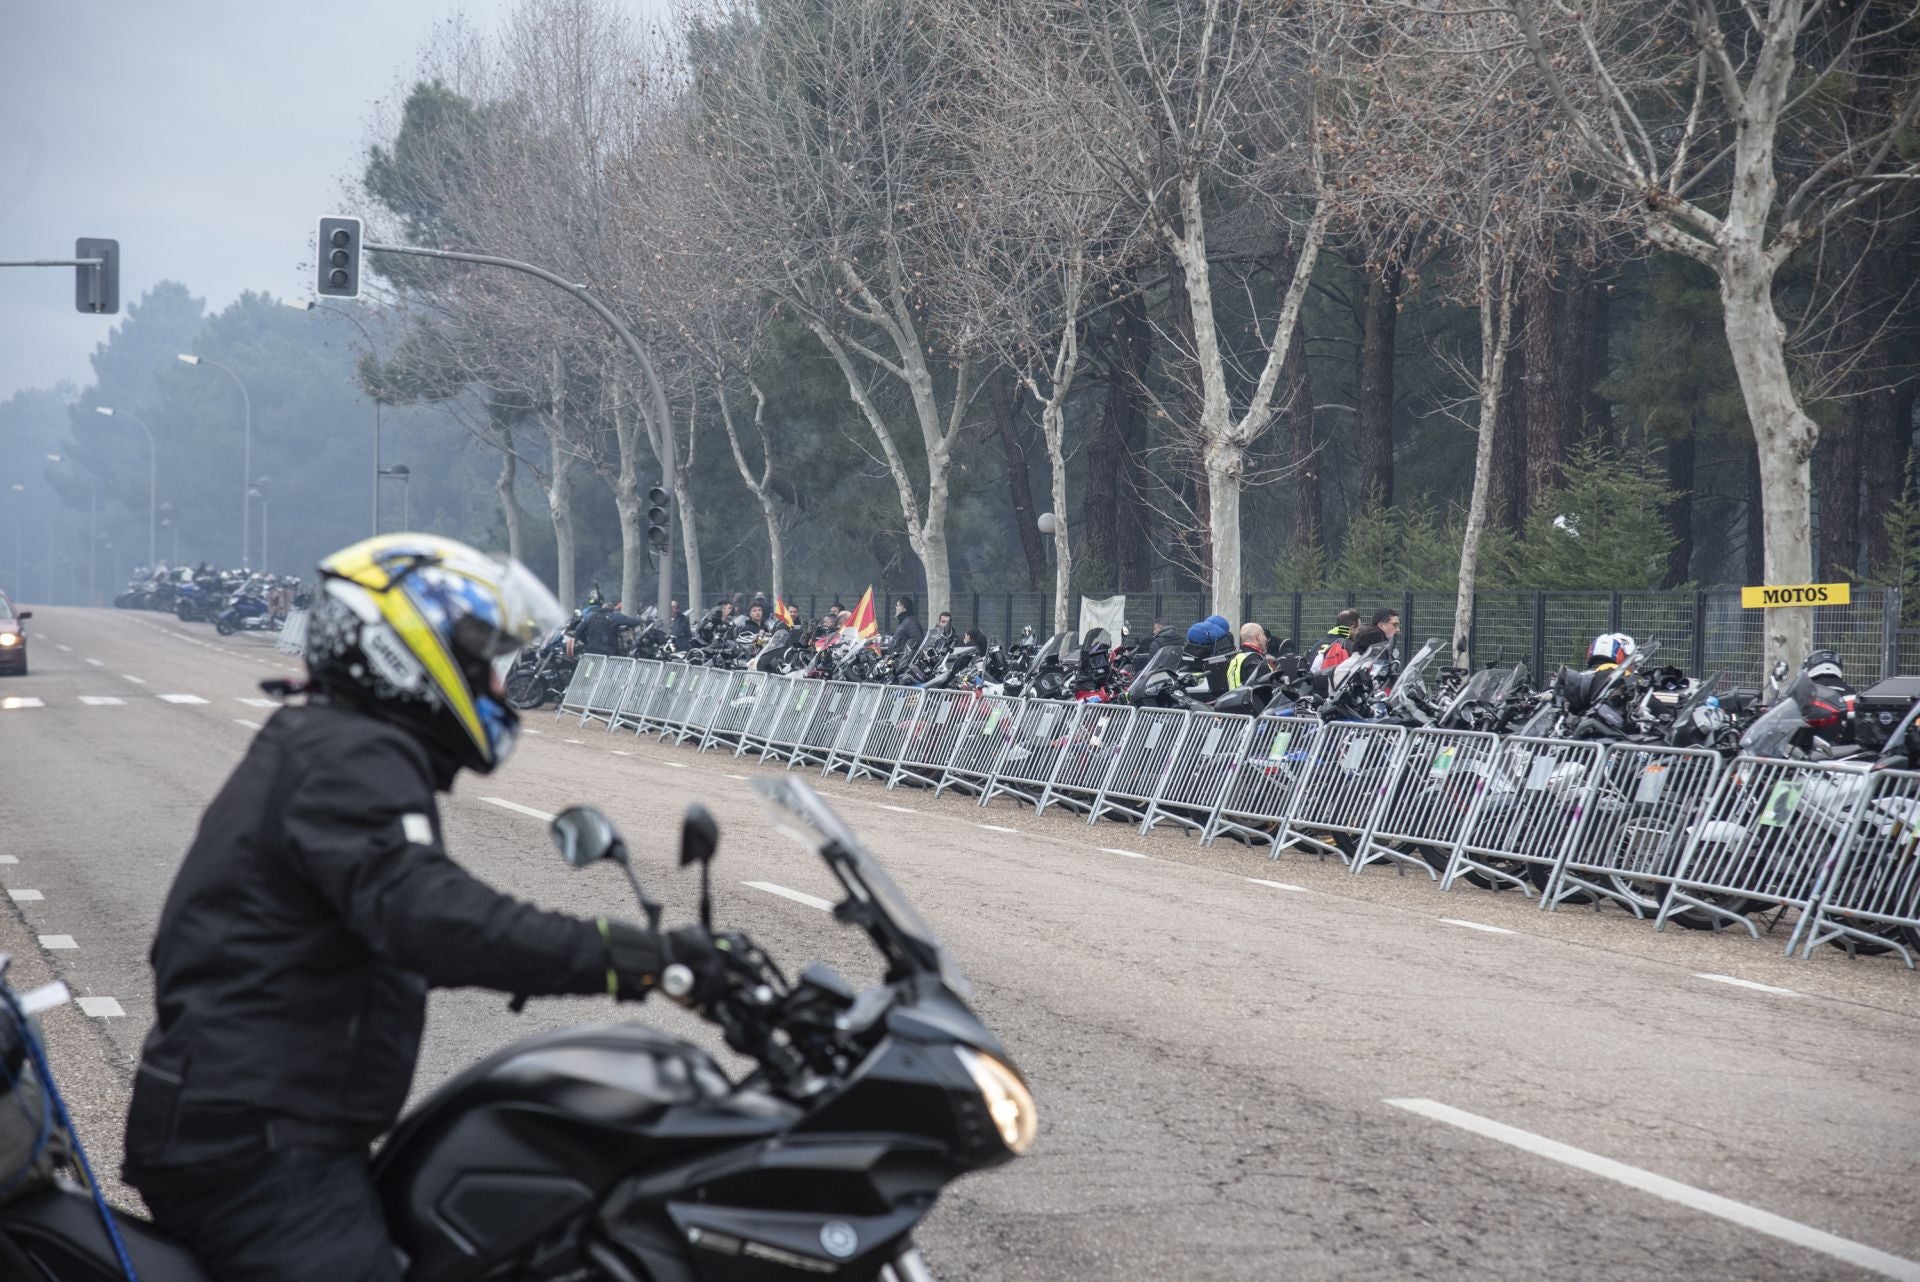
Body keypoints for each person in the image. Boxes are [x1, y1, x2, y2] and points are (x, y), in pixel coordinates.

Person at [122, 534, 716, 1282]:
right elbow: (428, 915)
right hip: (255, 1151)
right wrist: (625, 956)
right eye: (478, 664)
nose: (495, 689)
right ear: (404, 652)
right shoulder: (351, 757)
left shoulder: (331, 741)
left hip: (260, 1124)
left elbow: (387, 930)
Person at [578, 600, 643, 655]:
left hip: (591, 650)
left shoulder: (590, 616)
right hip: (608, 652)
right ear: (612, 610)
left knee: (592, 668)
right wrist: (640, 619)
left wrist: (586, 642)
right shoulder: (614, 616)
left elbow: (578, 630)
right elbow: (633, 622)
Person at [1310, 608, 1360, 676]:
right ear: (1352, 628)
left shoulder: (1317, 644)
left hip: (1314, 684)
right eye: (1358, 628)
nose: (1359, 632)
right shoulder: (1347, 645)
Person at [1226, 622, 1274, 689]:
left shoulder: (1236, 658)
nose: (1265, 638)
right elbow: (1264, 690)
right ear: (1258, 637)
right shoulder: (1255, 660)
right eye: (1263, 634)